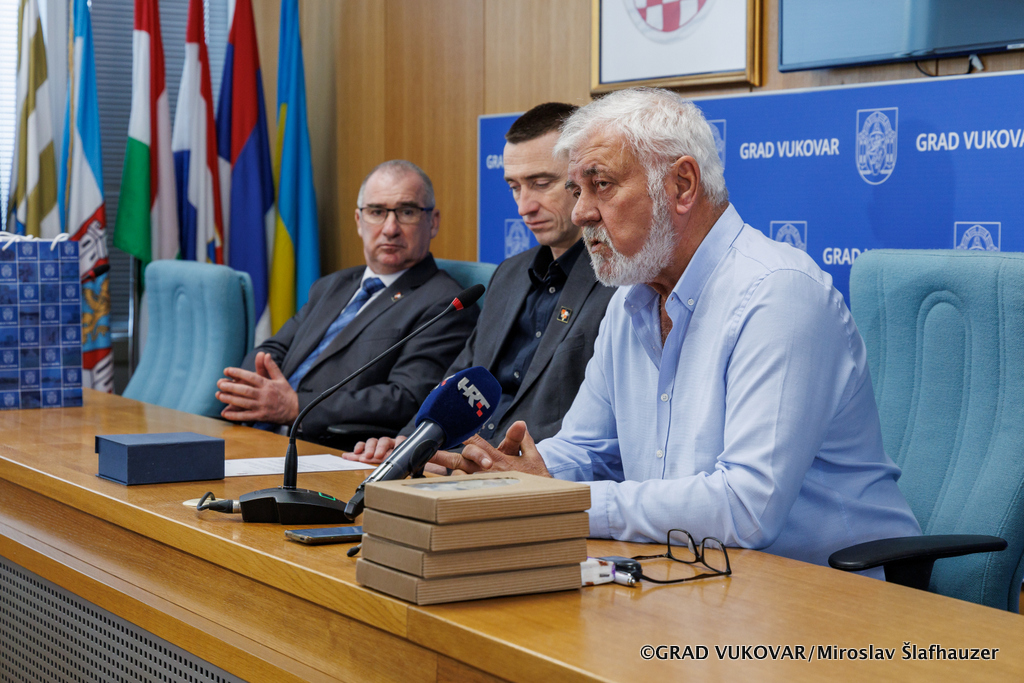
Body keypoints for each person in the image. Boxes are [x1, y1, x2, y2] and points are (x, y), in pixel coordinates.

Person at [436, 88, 921, 571]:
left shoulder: (778, 294)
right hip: (697, 572)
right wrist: (513, 476)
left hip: (829, 588)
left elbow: (746, 508)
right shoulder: (630, 300)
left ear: (682, 186)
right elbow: (586, 447)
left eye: (600, 184)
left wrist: (565, 501)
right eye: (577, 191)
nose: (581, 212)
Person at [347, 103, 616, 464]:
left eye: (541, 184)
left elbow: (591, 428)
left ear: (583, 179)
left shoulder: (618, 278)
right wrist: (409, 445)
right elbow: (459, 379)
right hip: (456, 465)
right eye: (514, 187)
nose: (524, 207)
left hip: (533, 473)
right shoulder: (509, 274)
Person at [216, 160, 478, 445]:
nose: (390, 228)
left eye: (406, 212)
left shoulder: (445, 305)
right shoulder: (333, 285)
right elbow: (276, 348)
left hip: (324, 446)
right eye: (376, 212)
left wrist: (295, 407)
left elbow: (406, 398)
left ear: (433, 221)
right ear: (358, 221)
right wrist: (253, 390)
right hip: (257, 432)